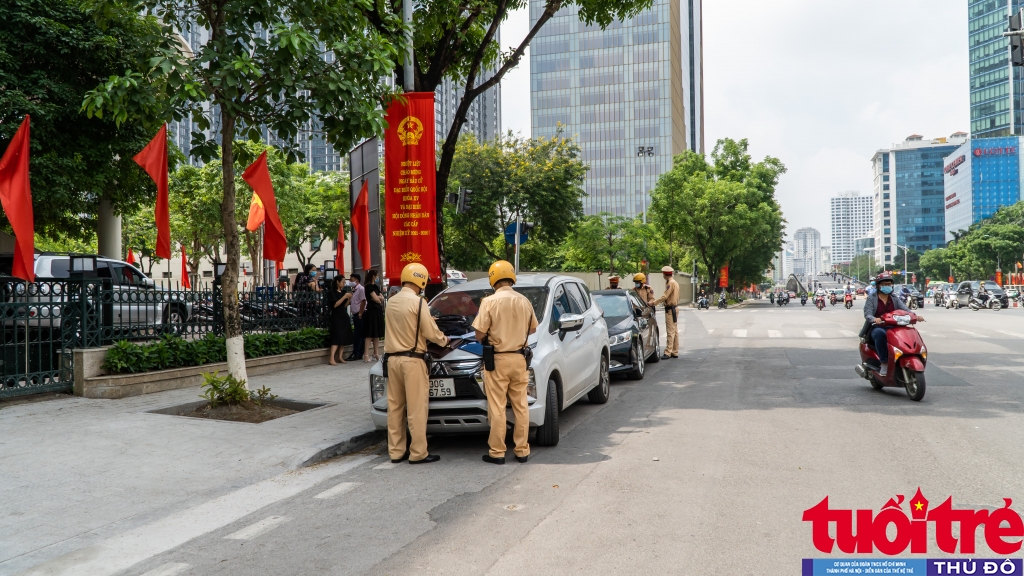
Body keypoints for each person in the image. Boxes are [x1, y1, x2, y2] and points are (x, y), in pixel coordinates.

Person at [472, 260, 538, 465]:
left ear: (493, 278)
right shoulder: (524, 301)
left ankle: (497, 452)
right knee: (521, 406)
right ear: (511, 277)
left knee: (497, 407)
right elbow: (533, 329)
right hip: (519, 359)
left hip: (497, 360)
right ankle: (522, 450)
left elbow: (479, 334)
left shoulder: (489, 302)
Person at [384, 263, 448, 464]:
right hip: (413, 361)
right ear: (420, 281)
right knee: (416, 409)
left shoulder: (391, 302)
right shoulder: (418, 303)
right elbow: (431, 333)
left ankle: (395, 452)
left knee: (395, 408)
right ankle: (418, 453)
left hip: (392, 360)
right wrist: (444, 340)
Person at [863, 272, 923, 377]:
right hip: (877, 327)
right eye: (884, 284)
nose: (887, 286)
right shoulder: (872, 298)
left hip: (893, 327)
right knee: (880, 334)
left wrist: (915, 316)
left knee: (908, 333)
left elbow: (905, 309)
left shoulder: (894, 298)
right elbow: (867, 313)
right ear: (878, 285)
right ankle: (884, 362)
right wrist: (874, 319)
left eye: (889, 284)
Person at [652, 266, 680, 359]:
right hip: (675, 308)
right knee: (675, 331)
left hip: (670, 309)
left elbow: (665, 296)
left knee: (670, 331)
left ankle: (668, 352)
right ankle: (675, 351)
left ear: (664, 274)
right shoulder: (675, 282)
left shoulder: (670, 283)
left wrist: (654, 302)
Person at [326, 276, 353, 364]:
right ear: (337, 282)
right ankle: (331, 358)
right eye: (343, 282)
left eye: (345, 283)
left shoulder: (344, 292)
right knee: (336, 337)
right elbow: (335, 305)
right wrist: (344, 296)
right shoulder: (331, 292)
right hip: (336, 316)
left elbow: (344, 306)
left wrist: (349, 299)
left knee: (343, 337)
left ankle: (340, 356)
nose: (344, 284)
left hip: (343, 315)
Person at [362, 269, 386, 362]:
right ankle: (366, 354)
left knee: (376, 334)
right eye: (376, 276)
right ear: (373, 276)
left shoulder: (375, 286)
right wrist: (379, 298)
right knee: (369, 334)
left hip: (378, 310)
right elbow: (376, 299)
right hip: (371, 311)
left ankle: (376, 353)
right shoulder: (368, 287)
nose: (377, 278)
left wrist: (379, 298)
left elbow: (381, 298)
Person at [347, 273, 366, 361]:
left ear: (357, 281)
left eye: (351, 280)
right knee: (359, 334)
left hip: (359, 313)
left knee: (358, 334)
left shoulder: (361, 289)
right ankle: (359, 353)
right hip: (355, 313)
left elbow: (363, 301)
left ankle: (357, 352)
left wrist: (360, 313)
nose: (350, 282)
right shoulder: (353, 290)